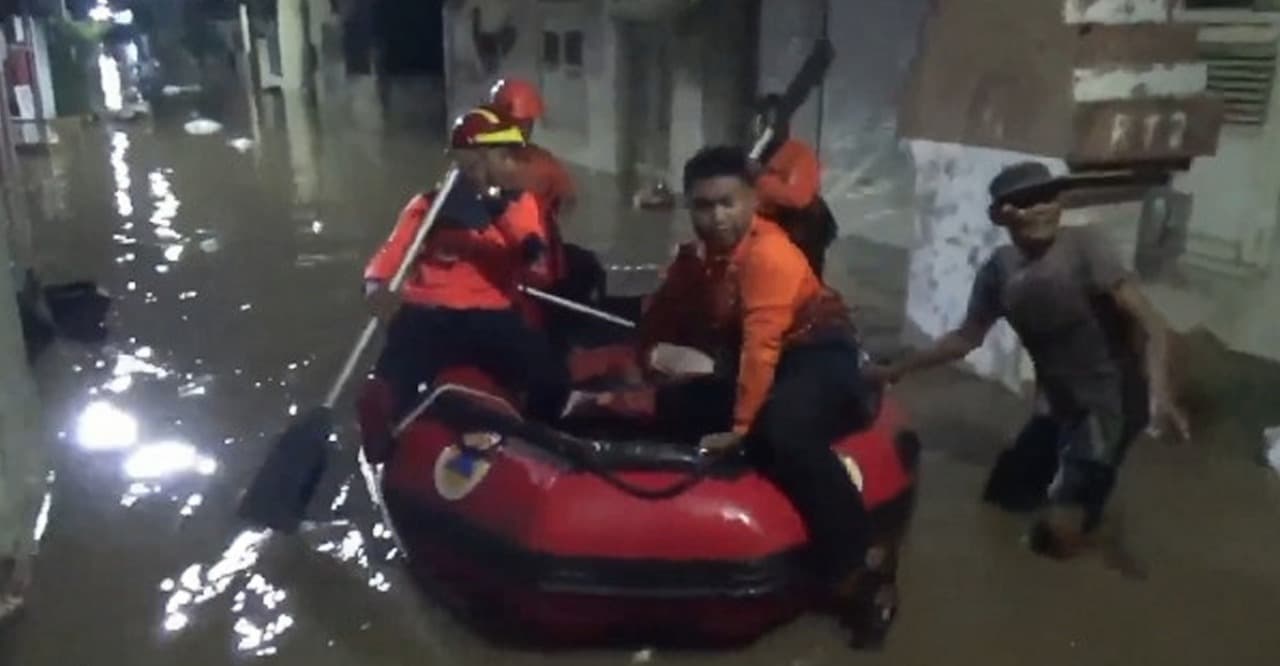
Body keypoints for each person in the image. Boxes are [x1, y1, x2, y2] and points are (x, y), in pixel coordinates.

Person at [566, 146, 889, 643]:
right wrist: (646, 361)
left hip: (815, 350)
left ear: (752, 201)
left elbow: (762, 347)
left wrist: (740, 428)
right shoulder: (695, 261)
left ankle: (858, 566)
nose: (716, 218)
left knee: (782, 432)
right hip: (757, 359)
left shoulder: (771, 256)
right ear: (688, 207)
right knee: (677, 405)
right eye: (703, 206)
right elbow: (660, 320)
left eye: (727, 204)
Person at [867, 161, 1190, 558]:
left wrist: (1161, 395)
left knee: (1058, 535)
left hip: (1111, 406)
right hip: (1058, 401)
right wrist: (898, 369)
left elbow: (1152, 324)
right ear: (1000, 215)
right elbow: (966, 339)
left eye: (1047, 197)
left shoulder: (1085, 248)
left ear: (1060, 204)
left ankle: (1089, 528)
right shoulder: (999, 270)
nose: (1039, 209)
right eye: (1025, 201)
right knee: (1003, 498)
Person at [358, 106, 569, 459]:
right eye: (505, 156)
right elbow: (390, 257)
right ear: (476, 159)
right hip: (429, 313)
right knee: (402, 359)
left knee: (551, 378)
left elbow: (537, 266)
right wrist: (376, 287)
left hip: (492, 318)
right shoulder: (428, 206)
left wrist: (494, 210)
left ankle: (534, 443)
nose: (514, 164)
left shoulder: (519, 205)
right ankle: (388, 425)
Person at [750, 94, 837, 277]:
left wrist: (761, 179)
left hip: (801, 233)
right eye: (762, 121)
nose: (767, 128)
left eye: (774, 122)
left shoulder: (800, 153)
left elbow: (798, 197)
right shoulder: (755, 154)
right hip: (767, 232)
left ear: (785, 124)